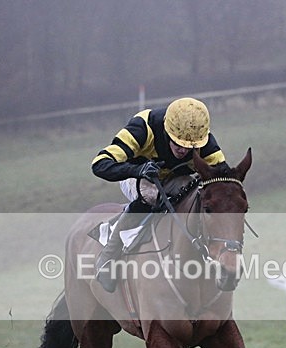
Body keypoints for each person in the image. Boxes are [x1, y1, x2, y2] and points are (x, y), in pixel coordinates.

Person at [91, 97, 228, 292]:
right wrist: (138, 170)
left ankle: (201, 252)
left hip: (174, 179)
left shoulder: (204, 142)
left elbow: (222, 183)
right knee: (152, 194)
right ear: (166, 131)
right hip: (135, 175)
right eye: (178, 144)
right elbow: (99, 164)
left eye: (191, 147)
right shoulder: (143, 127)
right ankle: (107, 257)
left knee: (194, 194)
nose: (183, 151)